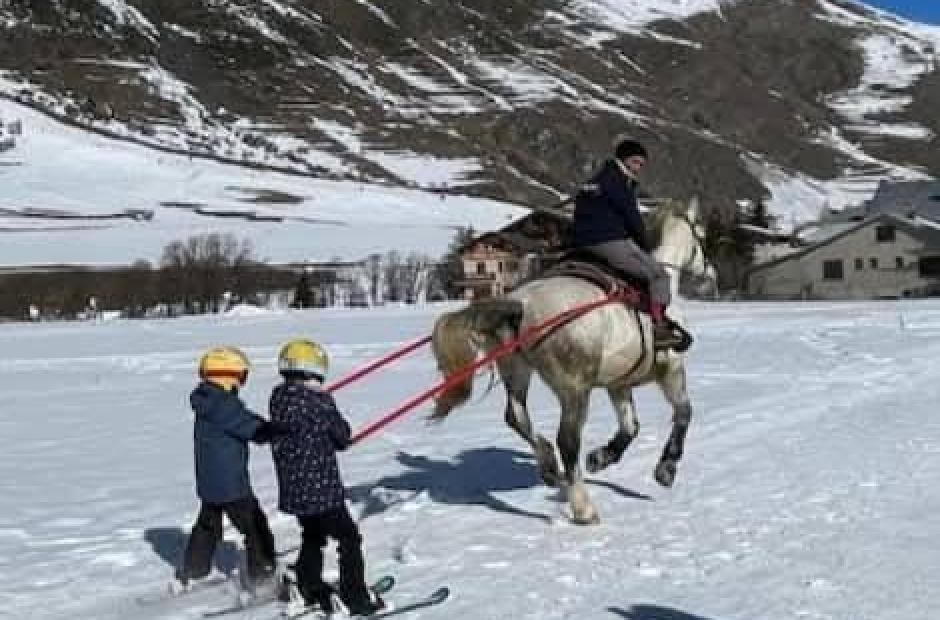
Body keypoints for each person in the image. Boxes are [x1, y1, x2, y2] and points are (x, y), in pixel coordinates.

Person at [269, 339, 383, 616]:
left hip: (295, 491)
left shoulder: (279, 400)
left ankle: (309, 584)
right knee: (349, 538)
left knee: (312, 535)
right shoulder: (319, 403)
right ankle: (355, 596)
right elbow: (342, 436)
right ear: (312, 372)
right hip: (323, 489)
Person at [178, 346, 280, 588]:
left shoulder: (209, 400)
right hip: (231, 485)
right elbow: (245, 424)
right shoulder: (222, 404)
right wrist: (267, 431)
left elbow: (242, 417)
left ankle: (195, 568)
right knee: (254, 526)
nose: (243, 381)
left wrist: (266, 425)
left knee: (207, 526)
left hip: (210, 482)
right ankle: (263, 572)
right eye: (242, 375)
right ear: (227, 375)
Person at [571, 139, 685, 350]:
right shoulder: (618, 182)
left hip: (582, 241)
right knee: (659, 275)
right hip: (609, 240)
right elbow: (632, 218)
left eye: (641, 164)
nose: (638, 168)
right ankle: (658, 326)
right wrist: (644, 246)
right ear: (623, 159)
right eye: (635, 162)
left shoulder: (596, 180)